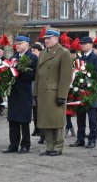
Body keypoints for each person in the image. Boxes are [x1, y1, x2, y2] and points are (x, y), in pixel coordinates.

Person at [34, 27, 72, 156]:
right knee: (45, 121)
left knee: (57, 122)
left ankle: (58, 147)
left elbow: (66, 76)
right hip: (43, 92)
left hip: (55, 93)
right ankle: (49, 146)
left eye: (49, 38)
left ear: (56, 38)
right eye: (45, 39)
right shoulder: (43, 53)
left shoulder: (63, 53)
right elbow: (38, 75)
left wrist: (62, 95)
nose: (46, 41)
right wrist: (35, 92)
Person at [3, 35, 38, 154]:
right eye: (16, 43)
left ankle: (25, 145)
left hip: (24, 92)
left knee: (24, 120)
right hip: (13, 92)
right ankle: (13, 144)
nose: (17, 45)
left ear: (27, 45)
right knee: (13, 119)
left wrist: (21, 71)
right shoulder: (13, 57)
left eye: (20, 43)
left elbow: (35, 75)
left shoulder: (33, 58)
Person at [69, 36, 97, 149]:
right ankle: (80, 139)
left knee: (92, 118)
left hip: (91, 92)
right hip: (80, 92)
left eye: (85, 43)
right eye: (81, 44)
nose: (82, 45)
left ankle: (92, 140)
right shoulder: (80, 57)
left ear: (91, 45)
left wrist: (86, 82)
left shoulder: (96, 58)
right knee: (80, 117)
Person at [30, 43, 43, 139]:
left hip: (40, 86)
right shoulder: (31, 59)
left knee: (40, 109)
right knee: (34, 108)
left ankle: (41, 130)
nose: (33, 52)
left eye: (35, 50)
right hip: (32, 85)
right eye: (32, 51)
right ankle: (36, 128)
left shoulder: (41, 60)